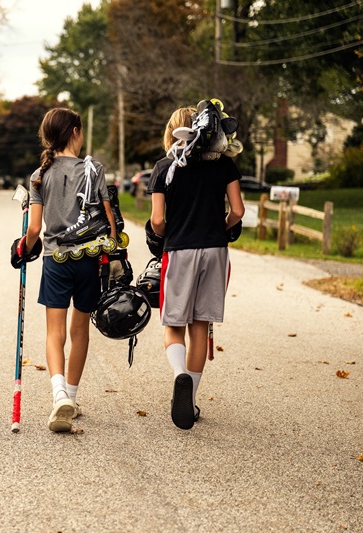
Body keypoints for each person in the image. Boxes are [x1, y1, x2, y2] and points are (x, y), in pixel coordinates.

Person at [11, 107, 118, 433]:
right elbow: (111, 227)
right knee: (79, 329)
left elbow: (34, 230)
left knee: (54, 333)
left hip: (55, 262)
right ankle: (70, 395)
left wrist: (23, 248)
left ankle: (59, 395)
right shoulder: (94, 169)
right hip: (89, 260)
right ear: (75, 131)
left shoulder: (39, 175)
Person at [146, 106, 245, 430]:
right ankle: (190, 398)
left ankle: (179, 378)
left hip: (181, 250)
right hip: (216, 249)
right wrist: (222, 226)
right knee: (200, 325)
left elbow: (158, 220)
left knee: (173, 324)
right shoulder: (225, 164)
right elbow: (238, 211)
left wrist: (161, 234)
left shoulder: (164, 167)